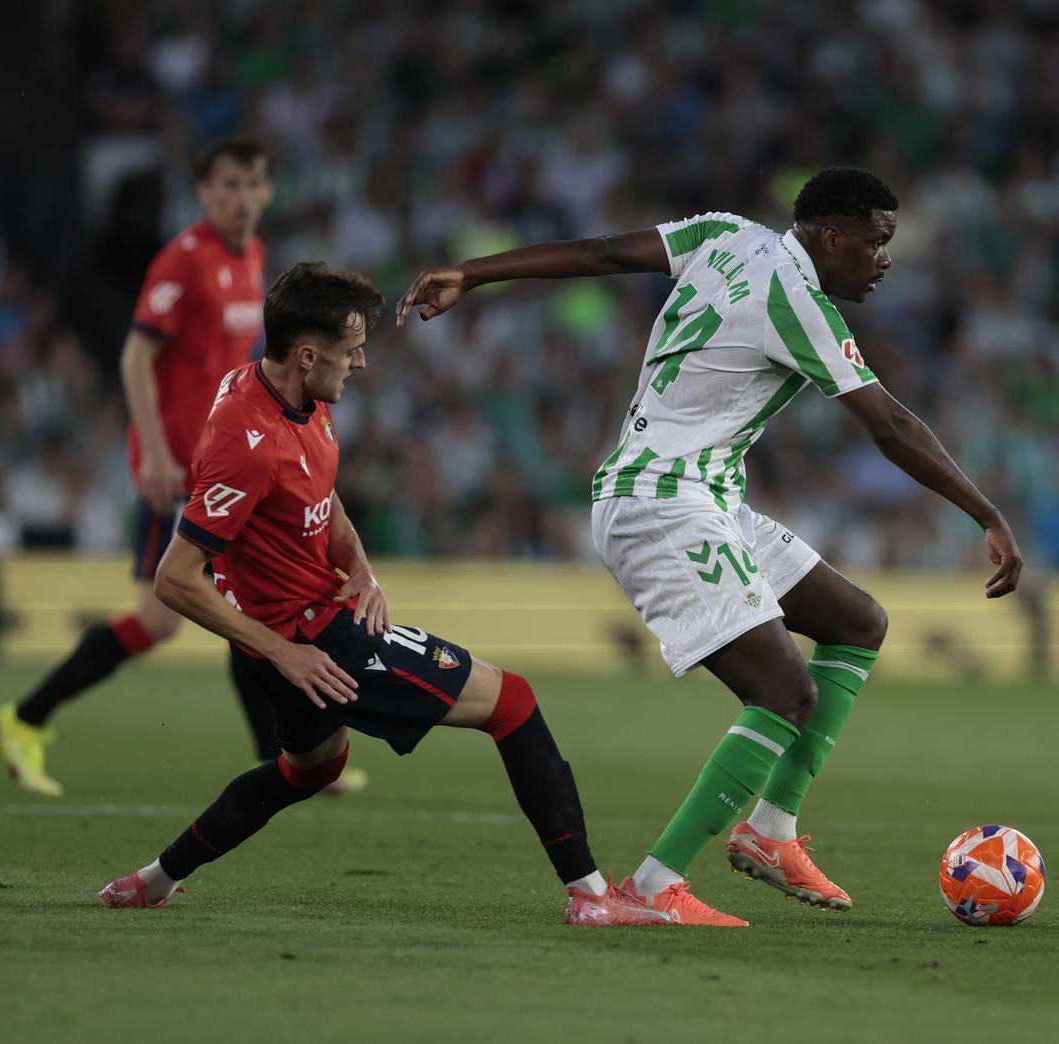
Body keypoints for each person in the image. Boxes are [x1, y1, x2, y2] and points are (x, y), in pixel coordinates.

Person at [397, 166, 1023, 926]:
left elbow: (599, 254)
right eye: (877, 241)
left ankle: (770, 830)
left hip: (707, 497)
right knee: (785, 692)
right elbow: (889, 426)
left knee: (857, 622)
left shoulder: (725, 233)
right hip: (662, 504)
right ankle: (653, 885)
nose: (886, 259)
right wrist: (985, 512)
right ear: (832, 237)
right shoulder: (801, 304)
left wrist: (473, 272)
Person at [99, 261, 638, 926]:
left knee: (309, 773)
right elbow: (175, 578)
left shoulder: (297, 395)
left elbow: (320, 497)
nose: (360, 363)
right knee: (514, 703)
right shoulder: (246, 443)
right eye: (351, 350)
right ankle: (589, 895)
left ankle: (153, 880)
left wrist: (360, 568)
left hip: (302, 635)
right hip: (315, 641)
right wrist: (284, 652)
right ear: (307, 354)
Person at [0, 137, 365, 796]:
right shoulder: (183, 261)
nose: (241, 198)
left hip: (227, 466)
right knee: (166, 614)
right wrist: (154, 451)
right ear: (203, 192)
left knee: (242, 605)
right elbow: (136, 357)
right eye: (228, 185)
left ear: (267, 192)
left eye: (252, 185)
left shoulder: (253, 260)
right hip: (181, 469)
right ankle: (24, 717)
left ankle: (283, 754)